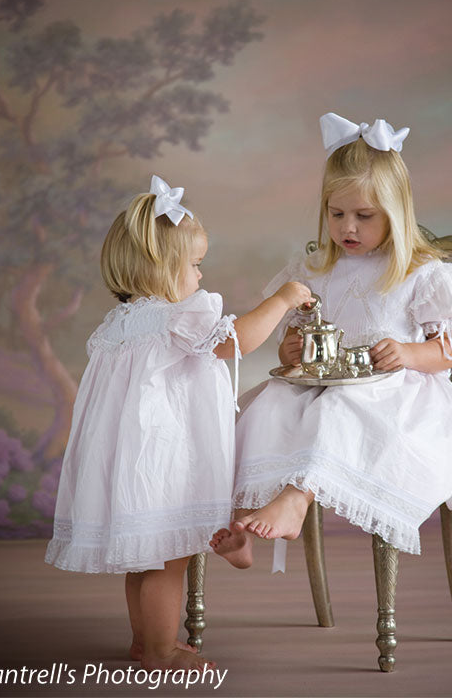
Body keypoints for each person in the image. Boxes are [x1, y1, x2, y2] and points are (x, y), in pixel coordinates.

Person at [45, 175, 311, 672]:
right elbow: (236, 342)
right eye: (193, 265)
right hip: (167, 455)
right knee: (170, 560)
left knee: (144, 557)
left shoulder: (120, 323)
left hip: (131, 461)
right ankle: (164, 652)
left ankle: (146, 642)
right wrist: (282, 299)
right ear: (161, 269)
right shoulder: (181, 314)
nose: (200, 277)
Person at [210, 113, 452, 570]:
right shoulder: (317, 267)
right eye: (336, 214)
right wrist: (290, 349)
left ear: (395, 214)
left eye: (363, 216)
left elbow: (450, 351)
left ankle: (296, 499)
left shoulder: (421, 273)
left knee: (336, 412)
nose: (347, 228)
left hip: (393, 395)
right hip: (322, 384)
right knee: (265, 409)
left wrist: (411, 353)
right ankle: (241, 525)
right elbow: (294, 330)